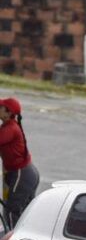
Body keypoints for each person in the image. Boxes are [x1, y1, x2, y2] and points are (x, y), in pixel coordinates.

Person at [0, 97, 40, 229]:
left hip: (21, 174)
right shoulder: (7, 126)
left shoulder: (10, 129)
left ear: (8, 112)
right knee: (24, 213)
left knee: (12, 211)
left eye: (1, 108)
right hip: (24, 173)